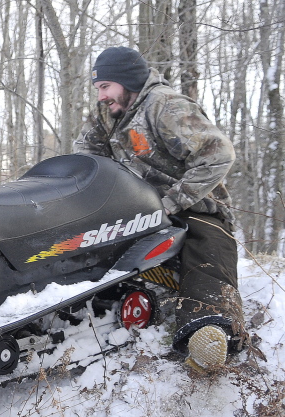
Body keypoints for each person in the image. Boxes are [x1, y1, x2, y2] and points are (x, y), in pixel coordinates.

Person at [76, 47, 248, 371]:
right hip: (136, 211)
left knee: (205, 243)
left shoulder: (163, 105)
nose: (101, 96)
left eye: (105, 87)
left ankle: (209, 329)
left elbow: (219, 153)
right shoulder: (108, 115)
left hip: (194, 206)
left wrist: (172, 202)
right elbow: (85, 160)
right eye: (98, 89)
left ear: (127, 82)